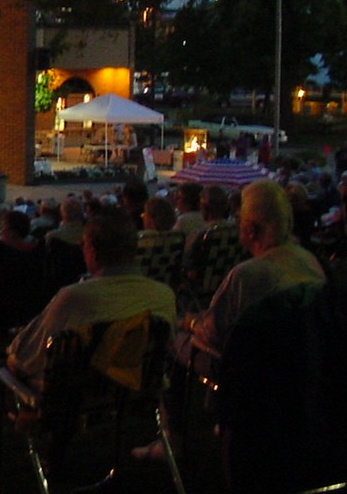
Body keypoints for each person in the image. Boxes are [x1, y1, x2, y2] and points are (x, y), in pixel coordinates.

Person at [0, 206, 176, 492]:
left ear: (93, 250)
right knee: (72, 369)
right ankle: (55, 458)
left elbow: (21, 358)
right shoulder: (162, 295)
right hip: (126, 394)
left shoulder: (75, 298)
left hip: (54, 400)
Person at [133, 178, 327, 462]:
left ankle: (171, 439)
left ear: (250, 228)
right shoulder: (308, 261)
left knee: (173, 341)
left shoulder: (248, 275)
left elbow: (212, 334)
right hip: (300, 358)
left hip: (249, 365)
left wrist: (187, 323)